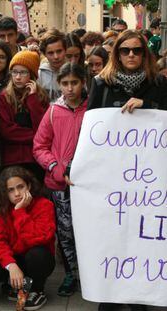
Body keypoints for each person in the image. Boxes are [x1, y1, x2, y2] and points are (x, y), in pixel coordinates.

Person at [88, 29, 167, 311]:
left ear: (145, 54)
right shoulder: (101, 83)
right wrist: (80, 168)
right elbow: (90, 129)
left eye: (137, 50)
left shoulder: (158, 83)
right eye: (125, 50)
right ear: (117, 53)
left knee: (141, 238)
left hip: (148, 180)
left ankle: (138, 296)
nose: (131, 55)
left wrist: (149, 106)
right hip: (112, 179)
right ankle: (109, 295)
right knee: (111, 236)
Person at [33, 62, 88, 297]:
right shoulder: (54, 111)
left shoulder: (93, 109)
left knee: (88, 230)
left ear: (83, 82)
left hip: (89, 184)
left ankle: (91, 275)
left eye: (74, 83)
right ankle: (70, 274)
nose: (70, 88)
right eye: (65, 83)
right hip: (59, 184)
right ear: (59, 84)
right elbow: (39, 146)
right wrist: (55, 167)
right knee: (65, 232)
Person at [0, 166, 55, 311]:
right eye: (11, 190)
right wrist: (10, 265)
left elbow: (39, 238)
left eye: (20, 187)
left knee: (37, 254)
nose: (17, 193)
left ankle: (36, 290)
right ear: (5, 193)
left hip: (36, 258)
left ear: (29, 186)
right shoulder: (2, 210)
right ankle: (16, 284)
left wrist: (20, 212)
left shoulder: (44, 205)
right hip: (16, 259)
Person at [0, 50, 48, 181]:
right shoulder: (4, 98)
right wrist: (35, 136)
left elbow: (43, 127)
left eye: (23, 72)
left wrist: (32, 99)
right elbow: (7, 131)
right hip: (12, 160)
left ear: (31, 75)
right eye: (14, 72)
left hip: (35, 159)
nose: (18, 77)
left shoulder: (40, 97)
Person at [38, 29, 66, 102]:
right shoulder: (40, 75)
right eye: (51, 53)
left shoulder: (75, 72)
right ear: (45, 54)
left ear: (65, 50)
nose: (56, 57)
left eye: (59, 51)